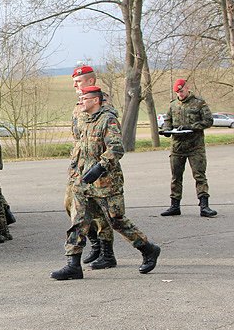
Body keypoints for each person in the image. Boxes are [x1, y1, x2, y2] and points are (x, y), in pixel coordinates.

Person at [51, 86, 161, 280]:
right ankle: (73, 264)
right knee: (78, 222)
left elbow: (117, 148)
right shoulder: (81, 120)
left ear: (95, 100)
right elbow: (79, 148)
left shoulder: (107, 120)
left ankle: (148, 249)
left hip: (106, 182)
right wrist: (76, 173)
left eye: (84, 99)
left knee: (116, 220)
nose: (81, 102)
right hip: (82, 181)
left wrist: (100, 167)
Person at [68, 65, 116, 269]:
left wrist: (100, 166)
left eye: (78, 82)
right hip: (79, 166)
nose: (75, 86)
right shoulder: (79, 105)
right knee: (70, 205)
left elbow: (111, 142)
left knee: (103, 213)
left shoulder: (101, 104)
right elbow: (78, 138)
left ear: (90, 81)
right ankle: (95, 243)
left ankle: (105, 252)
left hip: (98, 169)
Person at [159, 78, 217, 217]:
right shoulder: (173, 105)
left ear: (187, 87)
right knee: (176, 177)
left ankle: (204, 206)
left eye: (182, 90)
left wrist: (191, 127)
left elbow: (208, 121)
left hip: (195, 146)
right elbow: (168, 120)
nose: (180, 94)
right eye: (178, 92)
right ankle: (174, 205)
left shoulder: (199, 103)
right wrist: (167, 130)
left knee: (199, 176)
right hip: (177, 147)